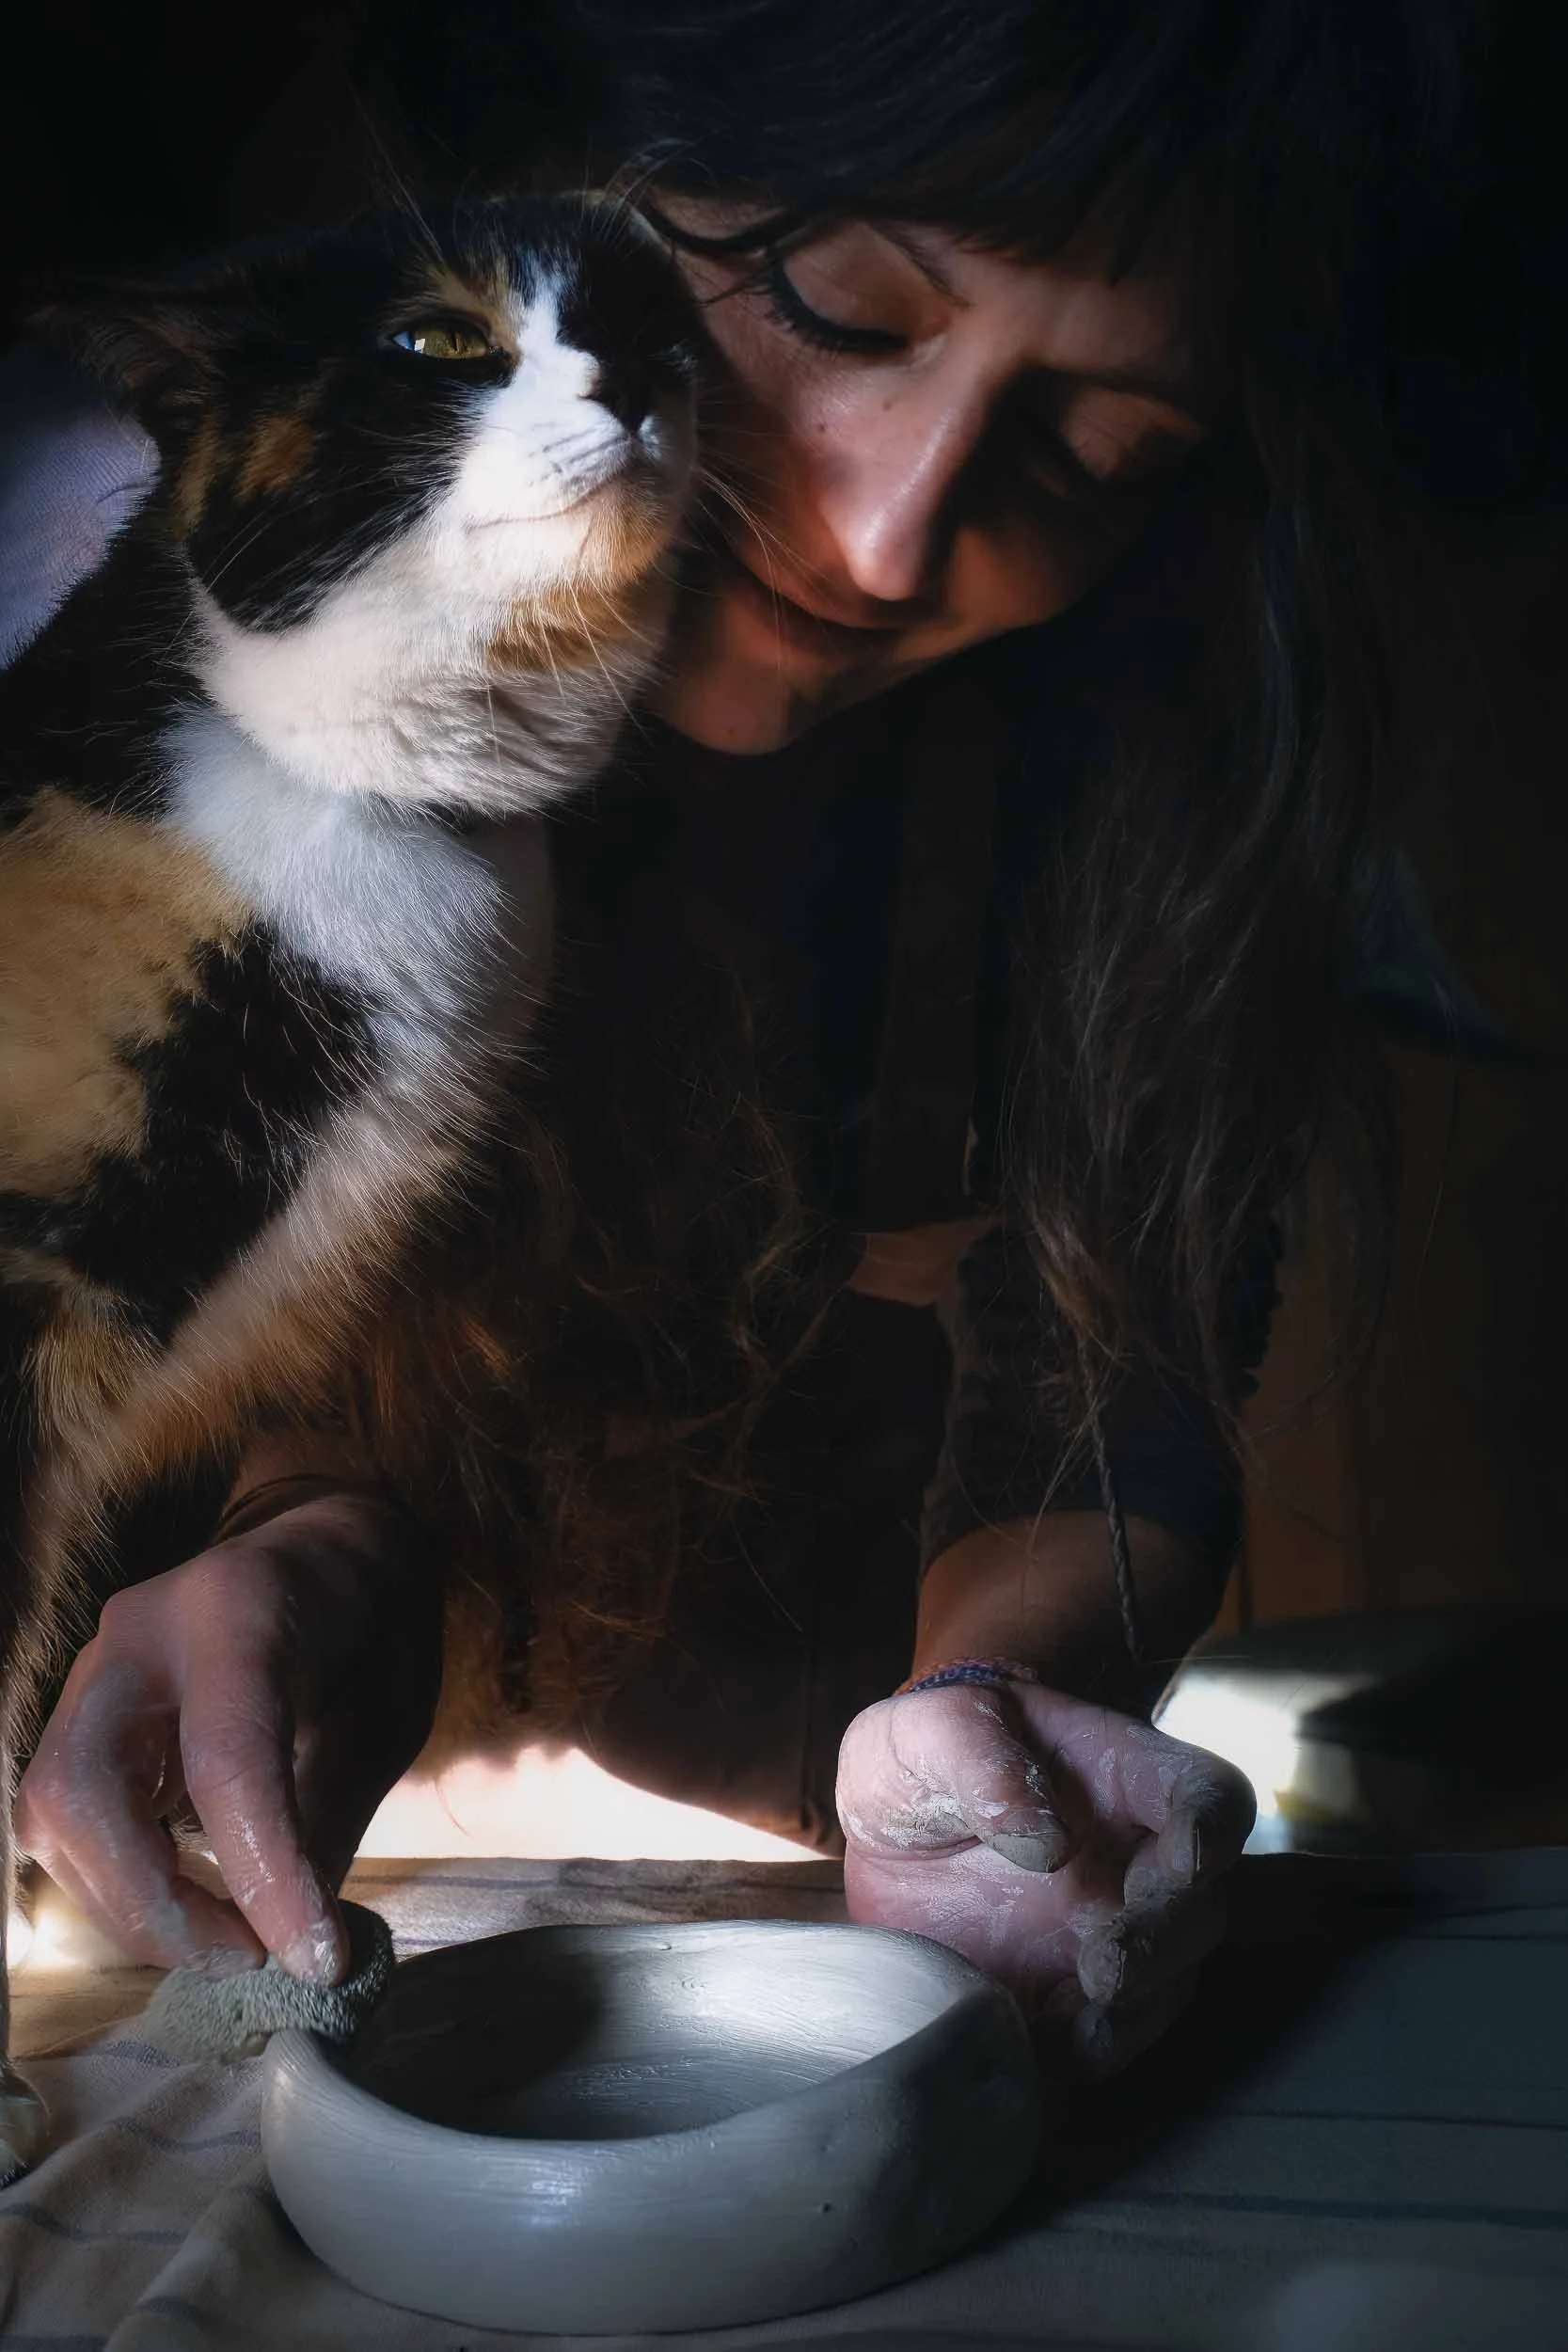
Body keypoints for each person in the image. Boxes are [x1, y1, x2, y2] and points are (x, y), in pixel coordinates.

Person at [7, 0, 1480, 2074]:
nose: (886, 538)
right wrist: (314, 1543)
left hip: (753, 1797)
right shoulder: (121, 634)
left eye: (1093, 454)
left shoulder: (1137, 736)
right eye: (832, 307)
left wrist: (988, 1717)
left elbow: (1119, 1332)